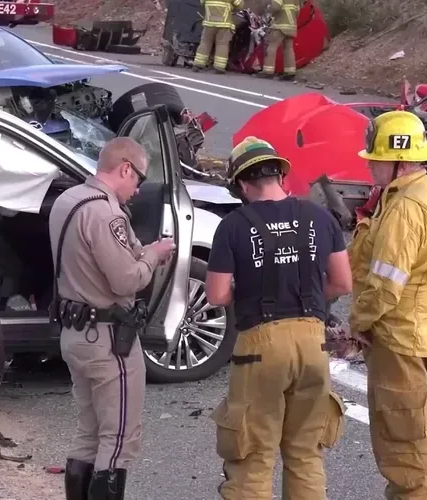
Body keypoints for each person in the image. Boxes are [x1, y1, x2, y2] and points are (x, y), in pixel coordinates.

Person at [204, 136, 353, 499]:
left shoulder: (233, 226)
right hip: (312, 340)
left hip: (261, 344)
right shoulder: (319, 217)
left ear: (241, 183)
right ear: (281, 178)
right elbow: (342, 282)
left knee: (253, 453)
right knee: (305, 453)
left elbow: (217, 294)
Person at [48, 137, 177, 500]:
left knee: (88, 433)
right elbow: (127, 279)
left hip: (75, 331)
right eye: (137, 179)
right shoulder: (106, 213)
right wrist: (153, 256)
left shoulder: (68, 200)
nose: (137, 189)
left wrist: (142, 251)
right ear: (124, 168)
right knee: (118, 438)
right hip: (107, 337)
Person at [347, 110, 427, 499]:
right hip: (422, 332)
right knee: (413, 438)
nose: (370, 164)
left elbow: (384, 285)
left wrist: (357, 323)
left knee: (407, 454)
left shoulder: (406, 209)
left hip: (399, 341)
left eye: (376, 158)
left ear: (400, 159)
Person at [192, 0, 243, 74]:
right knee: (222, 44)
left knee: (205, 43)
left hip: (209, 23)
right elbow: (239, 5)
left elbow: (201, 2)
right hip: (224, 24)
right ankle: (219, 67)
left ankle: (198, 64)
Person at [257, 0, 301, 80]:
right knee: (288, 49)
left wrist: (268, 8)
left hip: (279, 25)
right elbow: (297, 12)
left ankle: (268, 71)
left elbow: (276, 6)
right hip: (291, 26)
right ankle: (290, 73)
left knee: (271, 47)